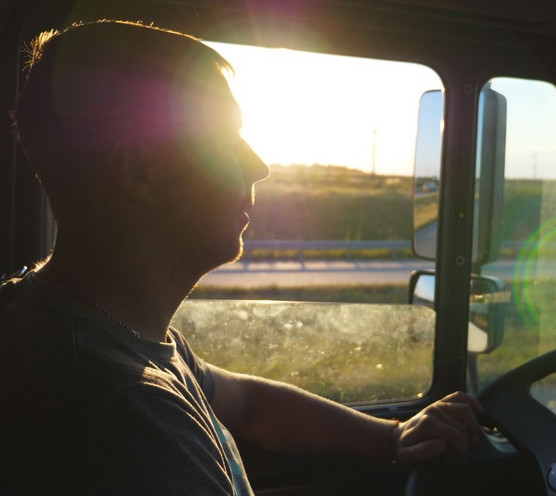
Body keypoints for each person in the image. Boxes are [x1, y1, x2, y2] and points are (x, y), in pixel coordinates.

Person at [0, 20, 482, 495]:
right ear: (138, 171)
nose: (259, 164)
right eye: (224, 138)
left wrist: (392, 436)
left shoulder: (102, 330)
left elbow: (250, 404)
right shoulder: (131, 420)